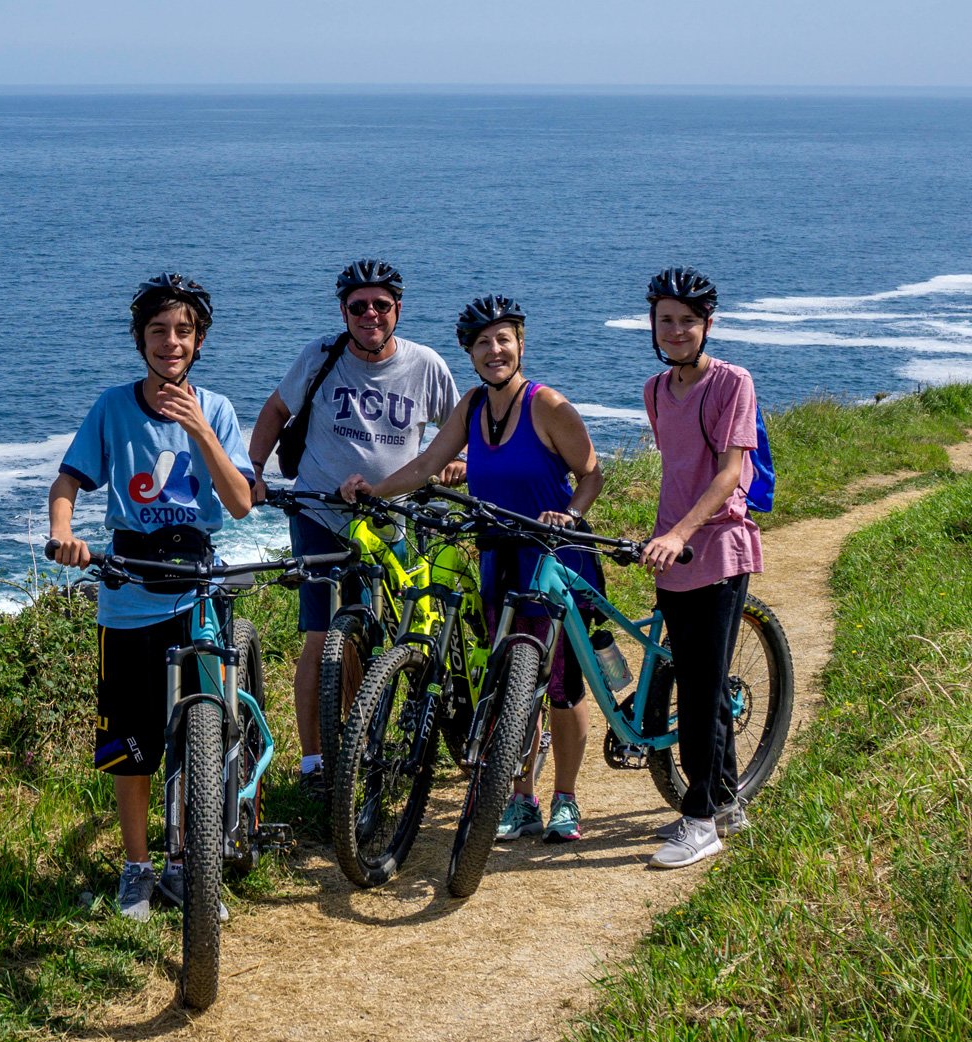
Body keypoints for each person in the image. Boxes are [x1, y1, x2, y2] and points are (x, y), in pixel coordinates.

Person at [341, 294, 603, 843]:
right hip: (497, 557)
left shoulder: (547, 405)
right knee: (509, 684)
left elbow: (591, 475)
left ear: (520, 344)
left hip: (553, 556)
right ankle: (520, 797)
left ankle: (566, 799)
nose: (493, 350)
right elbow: (428, 465)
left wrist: (569, 515)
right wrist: (374, 494)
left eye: (503, 339)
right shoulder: (473, 407)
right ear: (470, 352)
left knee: (560, 685)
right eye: (482, 342)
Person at [48, 273, 254, 920]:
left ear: (199, 342)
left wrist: (203, 433)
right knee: (130, 746)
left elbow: (242, 504)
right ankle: (138, 868)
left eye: (184, 331)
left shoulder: (215, 409)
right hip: (129, 593)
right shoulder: (113, 407)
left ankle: (187, 866)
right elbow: (68, 482)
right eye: (160, 330)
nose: (172, 341)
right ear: (140, 338)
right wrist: (63, 536)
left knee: (206, 737)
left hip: (196, 591)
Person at [247, 259, 464, 802]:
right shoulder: (321, 355)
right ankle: (316, 760)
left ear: (398, 309)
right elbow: (276, 410)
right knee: (321, 637)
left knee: (381, 631)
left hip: (392, 516)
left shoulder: (426, 365)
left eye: (380, 305)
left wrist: (458, 464)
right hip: (319, 511)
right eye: (358, 306)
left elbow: (457, 430)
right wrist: (252, 472)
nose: (370, 314)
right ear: (342, 311)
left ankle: (367, 738)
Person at [639, 266, 764, 869]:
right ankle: (728, 801)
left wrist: (682, 531)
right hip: (671, 552)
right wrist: (663, 534)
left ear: (707, 324)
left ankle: (699, 820)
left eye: (688, 320)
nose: (677, 329)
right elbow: (676, 468)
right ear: (654, 326)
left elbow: (727, 474)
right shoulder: (656, 390)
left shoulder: (733, 383)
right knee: (700, 677)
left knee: (700, 685)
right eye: (667, 320)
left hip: (715, 549)